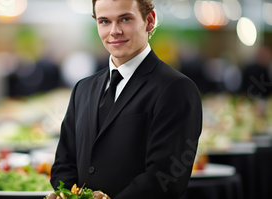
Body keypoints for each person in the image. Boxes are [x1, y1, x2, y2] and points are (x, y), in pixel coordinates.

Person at [50, 0, 203, 199]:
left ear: (149, 21)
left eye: (125, 19)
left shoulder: (176, 88)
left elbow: (166, 177)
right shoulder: (83, 89)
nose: (114, 31)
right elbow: (64, 162)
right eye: (104, 21)